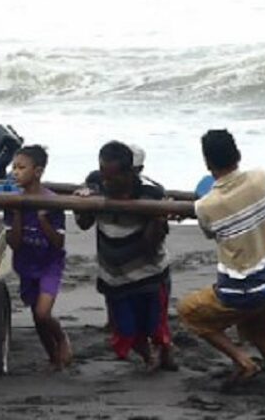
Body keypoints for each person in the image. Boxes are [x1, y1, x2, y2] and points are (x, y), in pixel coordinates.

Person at [178, 130, 265, 395]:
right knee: (260, 334)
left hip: (242, 291)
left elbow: (210, 232)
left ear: (208, 164)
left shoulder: (206, 206)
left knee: (188, 311)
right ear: (238, 155)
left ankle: (242, 360)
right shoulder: (261, 177)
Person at [74, 141, 177, 371]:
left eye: (113, 177)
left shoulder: (150, 193)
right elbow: (83, 224)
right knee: (126, 330)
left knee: (155, 326)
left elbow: (151, 244)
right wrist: (83, 204)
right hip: (114, 274)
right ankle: (149, 356)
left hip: (150, 273)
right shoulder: (95, 182)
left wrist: (158, 218)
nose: (107, 182)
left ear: (130, 173)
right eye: (104, 175)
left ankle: (165, 351)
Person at [5, 145, 72, 370]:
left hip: (49, 263)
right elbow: (13, 243)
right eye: (14, 167)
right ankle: (52, 357)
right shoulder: (13, 202)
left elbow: (59, 242)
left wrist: (43, 221)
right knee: (37, 316)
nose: (16, 172)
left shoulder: (51, 202)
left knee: (43, 313)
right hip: (26, 264)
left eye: (21, 167)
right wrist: (16, 216)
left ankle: (62, 338)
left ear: (38, 171)